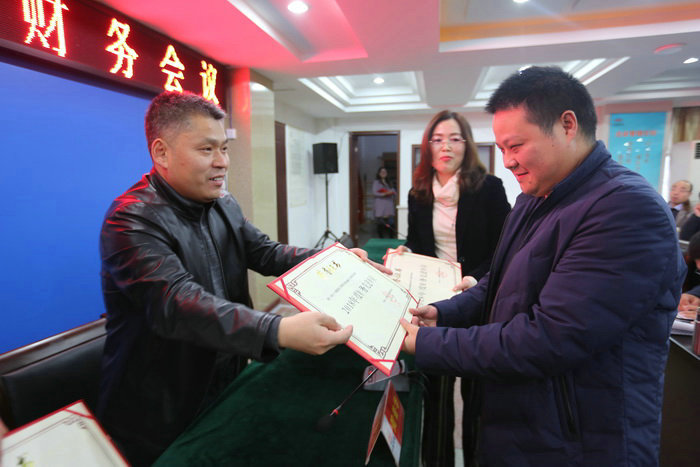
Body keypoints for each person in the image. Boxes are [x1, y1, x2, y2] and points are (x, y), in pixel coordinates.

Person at [400, 66, 685, 465]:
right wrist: (443, 313)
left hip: (579, 437)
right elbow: (499, 283)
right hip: (521, 419)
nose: (508, 161)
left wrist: (426, 343)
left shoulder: (626, 208)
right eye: (501, 149)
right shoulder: (535, 197)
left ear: (567, 125)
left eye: (516, 145)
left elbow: (549, 338)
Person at [98, 91, 380, 465]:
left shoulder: (222, 203)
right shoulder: (131, 220)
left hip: (225, 377)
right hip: (161, 406)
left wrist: (335, 260)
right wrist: (277, 330)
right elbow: (177, 304)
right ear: (161, 152)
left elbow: (266, 252)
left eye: (225, 148)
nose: (222, 162)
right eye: (206, 150)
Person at [395, 110, 510, 466]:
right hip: (437, 304)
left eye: (454, 139)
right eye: (438, 139)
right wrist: (405, 253)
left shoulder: (489, 188)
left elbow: (505, 248)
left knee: (477, 394)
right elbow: (418, 243)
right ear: (428, 147)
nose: (446, 146)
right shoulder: (418, 192)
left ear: (466, 145)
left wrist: (475, 281)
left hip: (479, 298)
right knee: (436, 392)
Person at [372, 167, 397, 238]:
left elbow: (394, 192)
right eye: (382, 172)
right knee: (380, 224)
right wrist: (384, 194)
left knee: (391, 223)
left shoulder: (389, 182)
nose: (383, 173)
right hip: (380, 206)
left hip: (389, 205)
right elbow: (374, 193)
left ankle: (391, 239)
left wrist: (392, 192)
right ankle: (381, 239)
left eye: (385, 172)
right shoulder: (376, 182)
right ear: (379, 173)